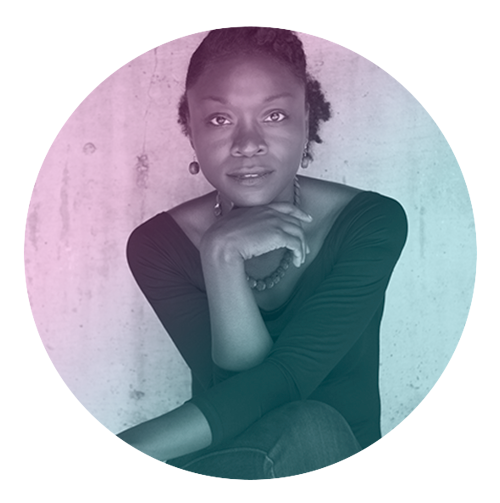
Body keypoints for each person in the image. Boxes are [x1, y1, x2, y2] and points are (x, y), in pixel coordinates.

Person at [118, 27, 408, 479]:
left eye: (274, 115)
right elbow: (236, 395)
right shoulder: (158, 245)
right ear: (191, 130)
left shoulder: (370, 223)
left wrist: (121, 452)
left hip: (337, 471)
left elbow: (281, 384)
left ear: (306, 121)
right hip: (229, 469)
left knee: (312, 426)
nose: (247, 143)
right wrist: (221, 256)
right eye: (219, 119)